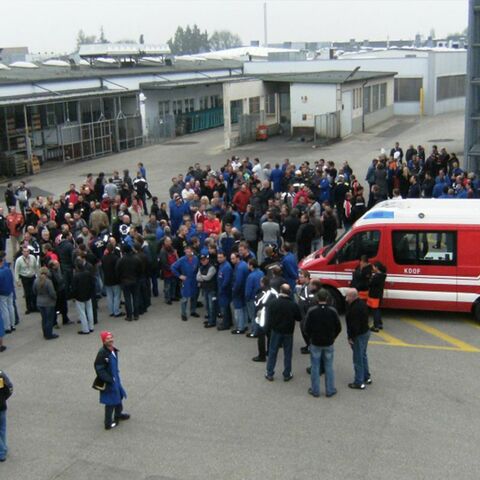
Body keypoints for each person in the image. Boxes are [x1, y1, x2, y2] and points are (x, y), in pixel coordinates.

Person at [304, 289, 342, 398]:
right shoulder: (332, 311)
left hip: (315, 342)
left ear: (317, 298)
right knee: (329, 366)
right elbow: (338, 327)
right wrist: (333, 337)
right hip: (328, 342)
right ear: (327, 298)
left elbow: (306, 328)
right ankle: (330, 389)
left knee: (315, 366)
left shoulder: (312, 311)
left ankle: (315, 390)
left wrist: (311, 337)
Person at [265, 284, 301, 381]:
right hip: (288, 331)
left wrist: (269, 327)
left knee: (273, 351)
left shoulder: (273, 303)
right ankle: (287, 373)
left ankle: (269, 372)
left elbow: (268, 317)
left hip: (276, 330)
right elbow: (299, 317)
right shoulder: (293, 305)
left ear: (280, 291)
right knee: (288, 353)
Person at [93, 331, 129, 430]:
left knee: (119, 396)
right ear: (104, 341)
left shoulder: (112, 350)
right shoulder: (102, 353)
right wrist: (109, 379)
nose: (110, 340)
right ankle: (108, 423)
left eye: (111, 337)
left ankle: (118, 414)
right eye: (107, 338)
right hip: (110, 381)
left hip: (115, 379)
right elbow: (99, 369)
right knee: (110, 402)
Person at [345, 288, 371, 390]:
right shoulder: (362, 304)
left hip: (358, 335)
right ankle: (366, 376)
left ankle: (359, 382)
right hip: (365, 332)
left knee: (357, 358)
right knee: (363, 355)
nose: (346, 299)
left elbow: (354, 326)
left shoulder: (354, 309)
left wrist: (351, 338)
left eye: (347, 296)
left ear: (352, 297)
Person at [252, 276, 277, 362]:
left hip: (263, 316)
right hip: (272, 316)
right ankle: (270, 351)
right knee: (270, 335)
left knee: (261, 336)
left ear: (262, 283)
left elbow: (257, 304)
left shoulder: (261, 294)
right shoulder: (273, 292)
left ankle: (261, 356)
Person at [171, 245, 199, 321]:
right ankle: (183, 314)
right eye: (186, 251)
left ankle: (193, 311)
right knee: (184, 298)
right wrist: (179, 275)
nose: (188, 252)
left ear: (192, 251)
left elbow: (198, 268)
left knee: (194, 296)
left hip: (194, 280)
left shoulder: (196, 259)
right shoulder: (182, 260)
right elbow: (173, 267)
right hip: (186, 281)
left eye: (189, 250)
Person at [116, 244, 142, 322]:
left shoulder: (120, 260)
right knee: (135, 298)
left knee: (127, 299)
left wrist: (120, 280)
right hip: (135, 280)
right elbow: (140, 270)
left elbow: (117, 271)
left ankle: (129, 316)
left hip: (125, 281)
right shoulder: (136, 259)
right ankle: (136, 314)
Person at [33, 266, 58, 340]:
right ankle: (49, 334)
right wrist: (55, 298)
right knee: (49, 319)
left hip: (40, 302)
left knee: (44, 319)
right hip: (49, 303)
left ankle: (45, 333)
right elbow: (52, 293)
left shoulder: (36, 281)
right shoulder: (48, 282)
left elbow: (34, 291)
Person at [71, 258, 95, 334]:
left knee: (82, 313)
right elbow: (92, 284)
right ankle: (91, 327)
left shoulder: (76, 276)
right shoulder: (88, 273)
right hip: (88, 294)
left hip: (79, 296)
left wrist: (73, 296)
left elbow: (74, 288)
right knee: (90, 311)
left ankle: (85, 329)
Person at [14, 246, 38, 314]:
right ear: (22, 252)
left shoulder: (32, 257)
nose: (26, 253)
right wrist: (17, 280)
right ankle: (29, 308)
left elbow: (36, 267)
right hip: (25, 278)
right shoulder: (19, 260)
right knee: (27, 293)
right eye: (24, 251)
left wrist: (37, 275)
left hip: (32, 276)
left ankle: (35, 307)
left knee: (34, 292)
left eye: (27, 251)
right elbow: (16, 270)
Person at [101, 243, 123, 318]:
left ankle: (111, 311)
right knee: (117, 295)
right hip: (115, 279)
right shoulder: (115, 258)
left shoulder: (104, 258)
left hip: (107, 279)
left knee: (109, 296)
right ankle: (116, 311)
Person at [196, 253, 217, 328]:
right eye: (201, 260)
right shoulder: (201, 267)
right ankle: (209, 319)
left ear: (207, 259)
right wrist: (203, 277)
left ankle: (212, 321)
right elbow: (197, 277)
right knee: (207, 306)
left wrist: (202, 277)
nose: (203, 261)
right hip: (205, 289)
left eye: (204, 260)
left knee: (212, 307)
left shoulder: (212, 267)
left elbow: (208, 277)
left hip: (211, 289)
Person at [230, 252, 249, 334]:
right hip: (243, 290)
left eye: (233, 258)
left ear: (238, 258)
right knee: (243, 308)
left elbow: (238, 281)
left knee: (238, 310)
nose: (231, 260)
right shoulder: (244, 264)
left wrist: (234, 290)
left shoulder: (239, 268)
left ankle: (240, 327)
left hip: (238, 291)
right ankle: (244, 325)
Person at [368, 261, 387, 332]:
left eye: (373, 266)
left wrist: (370, 279)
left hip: (374, 295)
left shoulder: (376, 277)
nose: (372, 268)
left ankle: (376, 326)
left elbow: (370, 284)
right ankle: (379, 324)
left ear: (377, 268)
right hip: (379, 295)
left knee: (375, 310)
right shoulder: (382, 275)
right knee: (378, 309)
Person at [216, 250, 233, 330]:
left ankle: (226, 324)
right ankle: (228, 321)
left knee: (225, 307)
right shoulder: (221, 265)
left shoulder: (227, 267)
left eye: (221, 257)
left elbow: (226, 280)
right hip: (221, 289)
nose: (219, 259)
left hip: (225, 291)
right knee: (225, 307)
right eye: (218, 257)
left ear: (225, 257)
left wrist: (221, 289)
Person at [0, 253, 15, 334]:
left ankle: (7, 327)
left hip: (2, 293)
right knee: (11, 307)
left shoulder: (0, 272)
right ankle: (12, 324)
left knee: (4, 309)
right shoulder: (7, 269)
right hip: (10, 290)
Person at [0, 369, 13, 461]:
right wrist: (3, 398)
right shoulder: (1, 374)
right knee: (2, 429)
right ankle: (3, 448)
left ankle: (2, 451)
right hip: (2, 406)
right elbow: (9, 387)